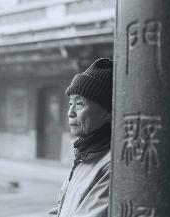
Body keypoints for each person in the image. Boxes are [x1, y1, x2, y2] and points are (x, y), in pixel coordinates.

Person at [48, 58, 113, 217]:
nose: (70, 113)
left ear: (108, 113)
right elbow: (64, 209)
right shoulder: (86, 154)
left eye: (79, 104)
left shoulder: (111, 166)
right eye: (70, 103)